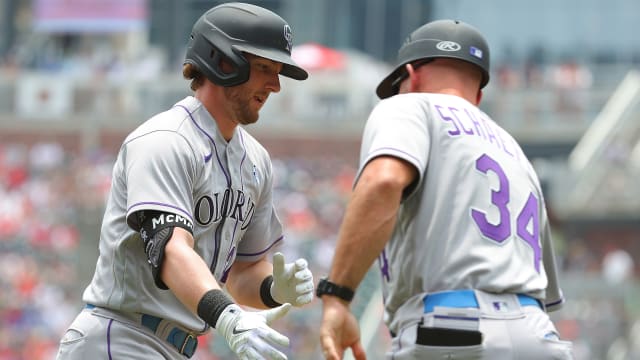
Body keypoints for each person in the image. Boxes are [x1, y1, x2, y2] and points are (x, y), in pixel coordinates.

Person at [56, 3, 314, 359]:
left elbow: (244, 272)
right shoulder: (165, 139)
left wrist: (273, 288)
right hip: (121, 337)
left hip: (175, 346)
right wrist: (228, 317)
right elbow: (171, 249)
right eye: (265, 68)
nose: (275, 85)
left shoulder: (256, 161)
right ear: (223, 61)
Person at [317, 19, 573, 359]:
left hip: (452, 326)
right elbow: (546, 293)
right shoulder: (517, 155)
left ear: (412, 74)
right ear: (478, 95)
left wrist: (337, 295)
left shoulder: (408, 105)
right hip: (539, 338)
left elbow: (384, 180)